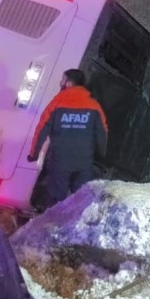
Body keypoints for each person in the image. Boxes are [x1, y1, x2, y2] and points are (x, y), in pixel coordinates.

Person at [27, 69, 108, 208]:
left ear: (69, 83)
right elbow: (103, 131)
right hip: (83, 162)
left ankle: (54, 226)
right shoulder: (94, 105)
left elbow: (41, 130)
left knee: (55, 201)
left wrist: (34, 154)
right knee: (80, 201)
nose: (60, 82)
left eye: (62, 80)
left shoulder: (56, 104)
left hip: (60, 161)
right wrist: (102, 153)